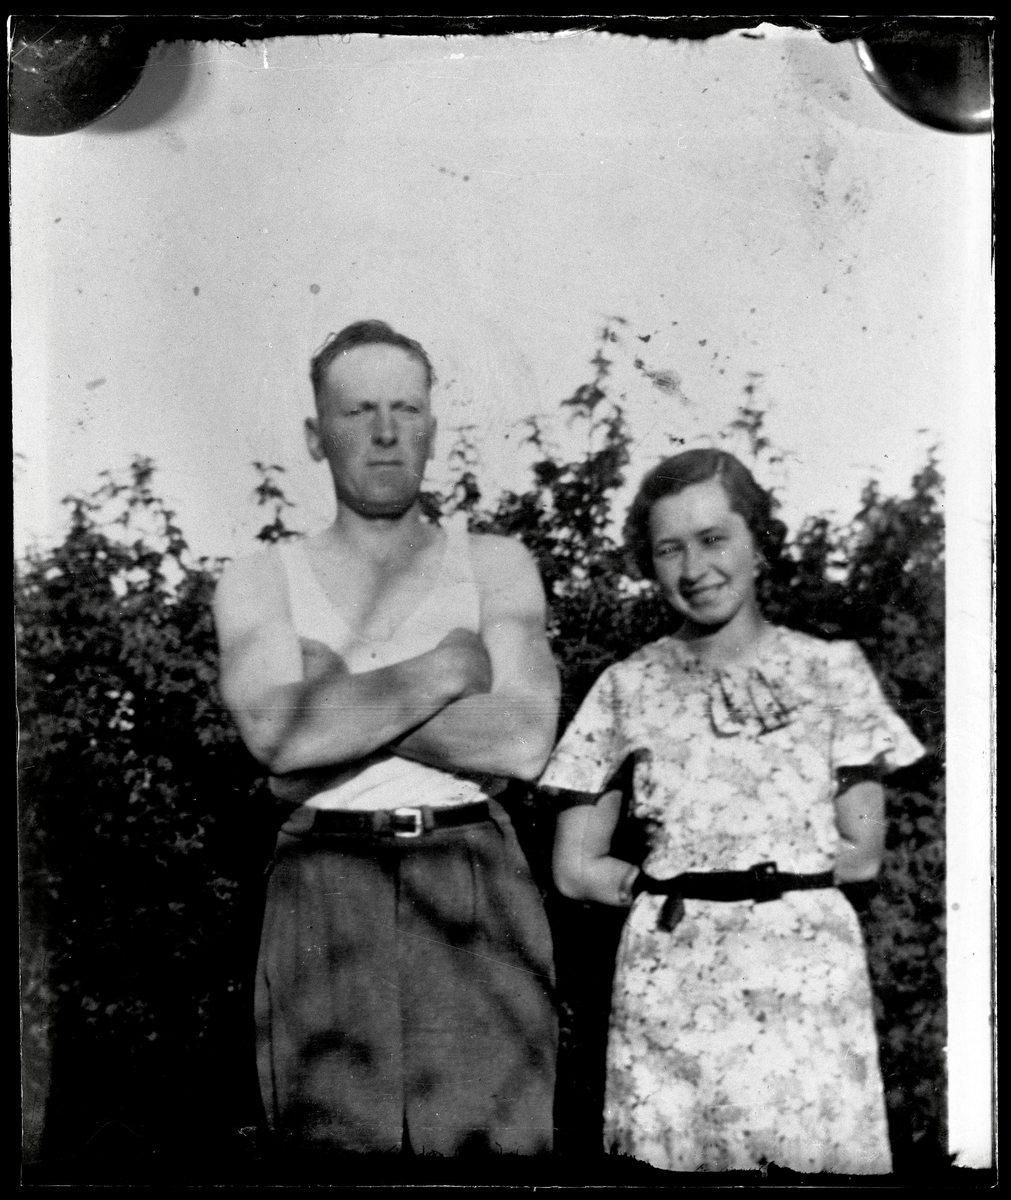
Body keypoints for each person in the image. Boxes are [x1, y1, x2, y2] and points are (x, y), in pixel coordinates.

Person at [213, 320, 560, 1157]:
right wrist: (448, 668)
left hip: (471, 871)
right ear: (315, 435)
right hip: (322, 880)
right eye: (356, 410)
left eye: (405, 409)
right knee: (328, 1161)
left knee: (493, 1157)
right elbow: (274, 734)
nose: (383, 431)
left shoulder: (495, 565)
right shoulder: (260, 578)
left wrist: (334, 699)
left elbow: (521, 741)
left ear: (432, 428)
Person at [539, 448, 925, 1175]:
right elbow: (574, 867)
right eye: (669, 549)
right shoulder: (627, 686)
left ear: (758, 542)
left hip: (805, 979)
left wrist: (770, 890)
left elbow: (862, 853)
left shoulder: (830, 671)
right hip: (672, 981)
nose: (695, 568)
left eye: (714, 539)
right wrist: (674, 887)